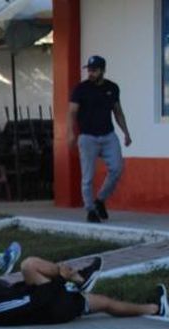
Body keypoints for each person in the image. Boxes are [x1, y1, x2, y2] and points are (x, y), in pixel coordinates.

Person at [0, 258, 168, 326]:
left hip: (49, 302)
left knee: (105, 303)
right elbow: (34, 302)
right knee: (29, 265)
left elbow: (21, 293)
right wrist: (60, 280)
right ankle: (79, 278)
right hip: (52, 307)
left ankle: (156, 308)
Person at [69, 55, 132, 223]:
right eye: (89, 70)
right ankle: (90, 210)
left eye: (94, 70)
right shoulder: (80, 89)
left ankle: (100, 200)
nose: (90, 73)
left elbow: (118, 112)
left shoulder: (112, 88)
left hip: (108, 136)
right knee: (88, 177)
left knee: (117, 168)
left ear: (103, 70)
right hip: (87, 137)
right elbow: (72, 112)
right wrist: (70, 133)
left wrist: (126, 133)